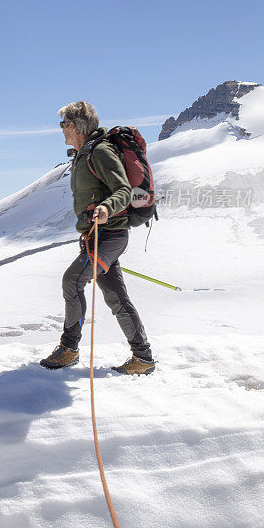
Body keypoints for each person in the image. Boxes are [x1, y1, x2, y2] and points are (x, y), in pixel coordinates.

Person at [40, 101, 155, 375]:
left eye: (63, 125)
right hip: (98, 236)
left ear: (74, 126)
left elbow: (124, 190)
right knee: (115, 296)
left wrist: (106, 208)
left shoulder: (100, 152)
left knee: (72, 280)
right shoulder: (82, 155)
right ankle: (143, 357)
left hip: (110, 236)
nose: (61, 130)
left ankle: (69, 349)